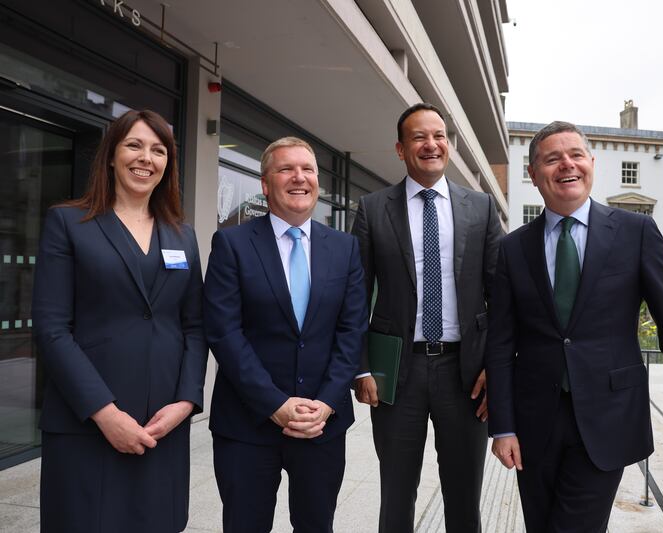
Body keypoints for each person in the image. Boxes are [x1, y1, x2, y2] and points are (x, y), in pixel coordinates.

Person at [486, 121, 663, 531]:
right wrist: (502, 427)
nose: (566, 165)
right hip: (533, 422)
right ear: (534, 174)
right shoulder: (512, 248)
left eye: (575, 155)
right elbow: (501, 344)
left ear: (591, 164)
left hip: (609, 417)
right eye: (552, 159)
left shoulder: (636, 233)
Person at [31, 109, 207, 533]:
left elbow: (195, 327)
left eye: (158, 150)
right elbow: (52, 328)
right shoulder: (69, 223)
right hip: (87, 424)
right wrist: (105, 413)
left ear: (168, 164)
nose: (146, 158)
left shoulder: (182, 235)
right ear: (111, 155)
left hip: (161, 425)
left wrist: (185, 402)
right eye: (134, 145)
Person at [352, 103, 503, 533]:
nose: (431, 144)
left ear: (449, 146)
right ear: (401, 149)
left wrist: (497, 365)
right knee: (396, 493)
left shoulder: (481, 208)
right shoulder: (373, 208)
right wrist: (361, 367)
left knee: (464, 494)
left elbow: (501, 298)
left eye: (439, 136)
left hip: (467, 372)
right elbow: (354, 297)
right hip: (398, 372)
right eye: (419, 137)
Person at [204, 136, 368, 533]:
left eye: (308, 169)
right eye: (286, 169)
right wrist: (273, 403)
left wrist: (327, 403)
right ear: (265, 183)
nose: (300, 177)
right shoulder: (232, 242)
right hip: (247, 424)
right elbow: (224, 332)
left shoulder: (344, 248)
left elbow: (352, 331)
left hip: (321, 424)